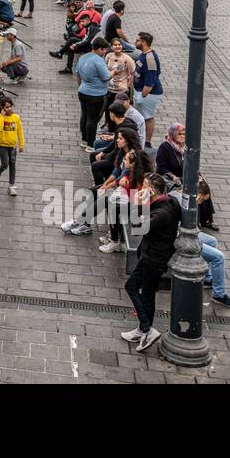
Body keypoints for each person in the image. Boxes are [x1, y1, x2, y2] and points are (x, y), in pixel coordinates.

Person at [121, 173, 180, 352]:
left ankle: (147, 328)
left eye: (144, 187)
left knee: (131, 287)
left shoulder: (161, 212)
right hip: (151, 255)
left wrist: (137, 205)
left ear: (152, 191)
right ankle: (143, 329)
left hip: (154, 259)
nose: (140, 190)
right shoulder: (168, 201)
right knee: (147, 294)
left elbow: (137, 228)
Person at [74, 37, 111, 151]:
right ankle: (91, 145)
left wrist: (81, 86)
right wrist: (114, 72)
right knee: (92, 119)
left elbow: (77, 74)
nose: (105, 52)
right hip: (96, 95)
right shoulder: (98, 60)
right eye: (104, 50)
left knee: (84, 116)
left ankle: (84, 140)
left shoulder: (83, 57)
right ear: (99, 49)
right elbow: (106, 77)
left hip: (83, 91)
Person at [133, 32, 163, 147]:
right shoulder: (144, 54)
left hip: (148, 94)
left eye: (138, 40)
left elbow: (150, 80)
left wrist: (143, 95)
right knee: (141, 116)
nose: (136, 42)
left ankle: (147, 142)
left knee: (148, 117)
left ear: (143, 42)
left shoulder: (150, 59)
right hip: (141, 92)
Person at [0, 95, 24, 196]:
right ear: (2, 108)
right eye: (6, 107)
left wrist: (21, 144)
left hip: (13, 146)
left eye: (10, 106)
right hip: (2, 145)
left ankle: (11, 186)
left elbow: (20, 131)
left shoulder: (16, 117)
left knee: (12, 165)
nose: (9, 108)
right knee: (5, 164)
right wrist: (2, 116)